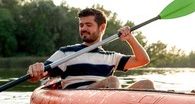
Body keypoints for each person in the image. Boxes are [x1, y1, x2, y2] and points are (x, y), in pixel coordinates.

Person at [27, 8, 155, 90]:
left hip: (108, 96)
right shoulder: (66, 53)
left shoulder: (111, 57)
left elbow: (143, 60)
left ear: (102, 28)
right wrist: (36, 71)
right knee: (112, 81)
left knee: (146, 84)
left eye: (88, 25)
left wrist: (130, 38)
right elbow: (40, 75)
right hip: (77, 101)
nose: (83, 28)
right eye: (81, 25)